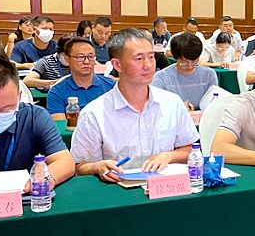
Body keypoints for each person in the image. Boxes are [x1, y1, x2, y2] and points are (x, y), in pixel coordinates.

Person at [71, 28, 199, 179]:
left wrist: (168, 156)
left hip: (164, 185)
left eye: (151, 57)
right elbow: (80, 166)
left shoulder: (172, 103)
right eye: (138, 59)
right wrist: (98, 166)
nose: (148, 65)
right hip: (118, 187)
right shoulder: (94, 113)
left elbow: (191, 149)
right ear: (117, 65)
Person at [0, 57, 74, 189]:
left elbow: (64, 161)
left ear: (19, 97)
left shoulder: (34, 117)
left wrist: (46, 178)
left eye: (6, 109)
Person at [47, 37, 116, 120]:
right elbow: (60, 124)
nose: (86, 62)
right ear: (67, 59)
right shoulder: (57, 92)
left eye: (90, 57)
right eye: (80, 57)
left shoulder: (111, 86)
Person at [152, 33, 218, 111]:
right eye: (184, 62)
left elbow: (214, 103)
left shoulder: (209, 75)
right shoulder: (161, 78)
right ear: (176, 58)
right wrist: (176, 108)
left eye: (194, 61)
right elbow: (155, 107)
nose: (190, 66)